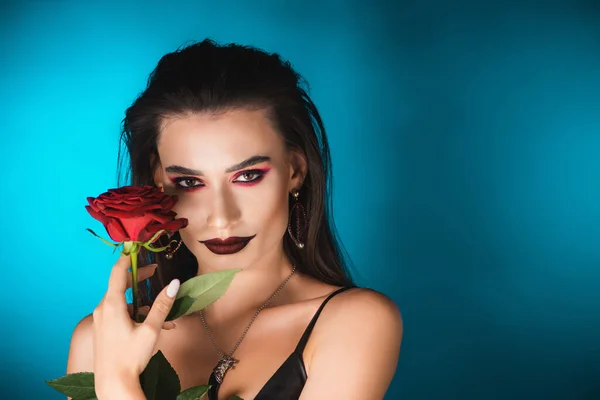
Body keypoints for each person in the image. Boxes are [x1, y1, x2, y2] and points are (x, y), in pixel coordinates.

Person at [66, 39, 403, 400]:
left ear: (295, 170)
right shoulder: (98, 340)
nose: (222, 217)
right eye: (190, 182)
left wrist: (118, 385)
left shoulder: (355, 322)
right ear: (159, 182)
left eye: (247, 176)